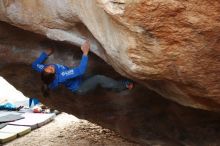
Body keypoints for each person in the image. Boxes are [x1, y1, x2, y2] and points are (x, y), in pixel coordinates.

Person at [32, 40, 134, 97]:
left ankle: (112, 83)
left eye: (47, 68)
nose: (49, 67)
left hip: (79, 79)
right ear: (54, 75)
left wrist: (45, 54)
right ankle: (124, 86)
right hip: (80, 88)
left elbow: (34, 65)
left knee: (97, 73)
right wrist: (85, 53)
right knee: (99, 78)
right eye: (51, 70)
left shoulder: (43, 70)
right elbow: (81, 70)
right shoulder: (61, 76)